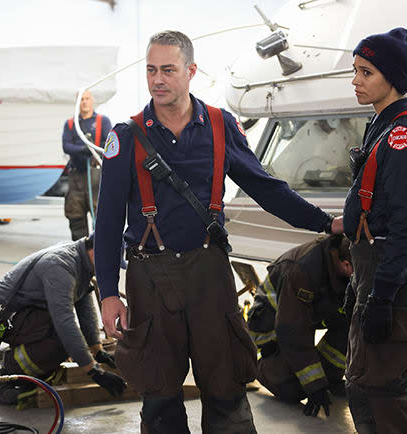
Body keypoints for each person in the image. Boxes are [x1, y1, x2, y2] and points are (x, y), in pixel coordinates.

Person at [94, 30, 343, 434]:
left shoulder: (219, 125)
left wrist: (324, 222)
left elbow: (265, 187)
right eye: (151, 70)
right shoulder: (125, 136)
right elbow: (106, 224)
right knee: (158, 394)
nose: (158, 80)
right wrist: (107, 293)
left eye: (169, 70)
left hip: (210, 273)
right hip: (149, 278)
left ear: (191, 71)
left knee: (226, 385)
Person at [343, 28, 407, 433]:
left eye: (366, 72)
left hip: (394, 280)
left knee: (387, 399)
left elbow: (403, 226)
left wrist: (381, 297)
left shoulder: (402, 136)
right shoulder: (383, 127)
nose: (356, 80)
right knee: (364, 388)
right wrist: (361, 287)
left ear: (393, 78)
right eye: (355, 71)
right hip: (377, 272)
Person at [0, 234, 126, 405]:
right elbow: (65, 323)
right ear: (97, 253)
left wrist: (97, 350)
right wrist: (93, 371)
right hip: (5, 317)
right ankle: (1, 370)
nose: (112, 271)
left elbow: (84, 308)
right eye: (111, 264)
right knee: (61, 342)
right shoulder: (61, 266)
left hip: (31, 315)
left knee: (65, 342)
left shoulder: (81, 261)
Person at [246, 234, 353, 418]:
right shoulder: (304, 270)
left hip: (305, 314)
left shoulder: (342, 263)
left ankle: (332, 379)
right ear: (346, 265)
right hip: (272, 330)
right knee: (291, 391)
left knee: (350, 320)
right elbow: (293, 330)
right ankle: (261, 368)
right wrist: (315, 385)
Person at [62, 90, 113, 241]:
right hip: (76, 177)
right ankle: (80, 254)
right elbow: (66, 146)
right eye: (81, 99)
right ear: (77, 102)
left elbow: (109, 144)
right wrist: (82, 149)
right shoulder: (71, 124)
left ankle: (100, 254)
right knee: (75, 216)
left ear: (92, 101)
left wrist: (91, 149)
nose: (84, 102)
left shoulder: (103, 122)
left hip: (96, 177)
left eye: (87, 98)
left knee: (101, 217)